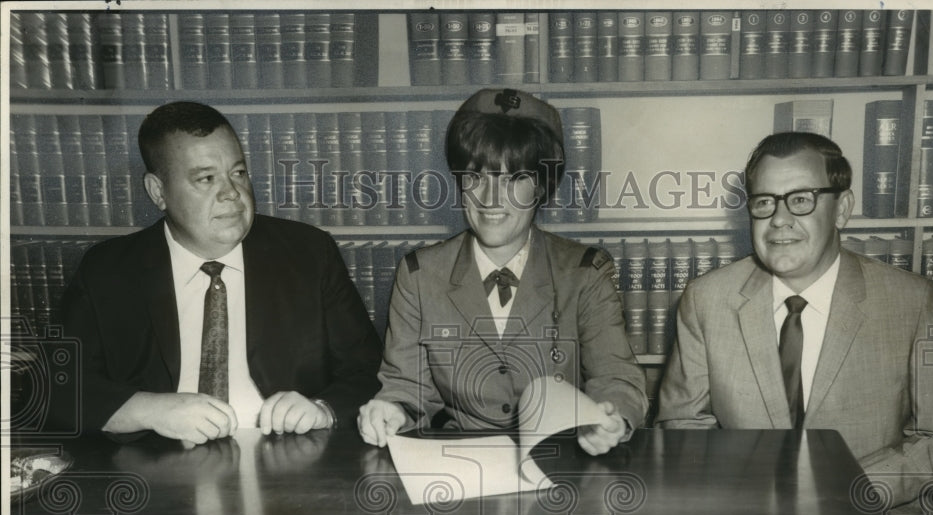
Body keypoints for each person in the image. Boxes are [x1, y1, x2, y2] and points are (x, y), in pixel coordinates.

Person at [656, 131, 933, 514]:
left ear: (841, 209)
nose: (779, 220)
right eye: (764, 203)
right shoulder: (707, 299)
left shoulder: (913, 301)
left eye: (801, 200)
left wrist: (848, 489)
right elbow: (682, 423)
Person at [58, 101, 382, 443]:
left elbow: (370, 372)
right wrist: (148, 410)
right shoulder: (109, 269)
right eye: (206, 178)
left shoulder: (308, 253)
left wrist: (322, 409)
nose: (231, 193)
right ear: (158, 192)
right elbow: (55, 387)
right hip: (158, 474)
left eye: (238, 173)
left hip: (288, 465)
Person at [357, 88, 647, 455]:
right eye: (476, 177)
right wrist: (392, 410)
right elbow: (405, 386)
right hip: (460, 463)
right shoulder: (419, 275)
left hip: (561, 460)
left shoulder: (585, 273)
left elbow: (616, 377)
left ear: (540, 187)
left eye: (513, 179)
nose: (491, 198)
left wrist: (610, 419)